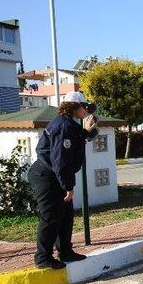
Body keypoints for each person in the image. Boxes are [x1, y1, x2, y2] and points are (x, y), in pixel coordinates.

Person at [28, 91, 98, 269]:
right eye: (84, 107)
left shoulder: (68, 124)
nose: (86, 111)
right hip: (46, 177)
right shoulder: (64, 126)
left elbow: (78, 138)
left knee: (65, 215)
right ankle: (43, 258)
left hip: (54, 175)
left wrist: (88, 132)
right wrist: (68, 187)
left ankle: (65, 251)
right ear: (74, 107)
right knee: (51, 216)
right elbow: (61, 160)